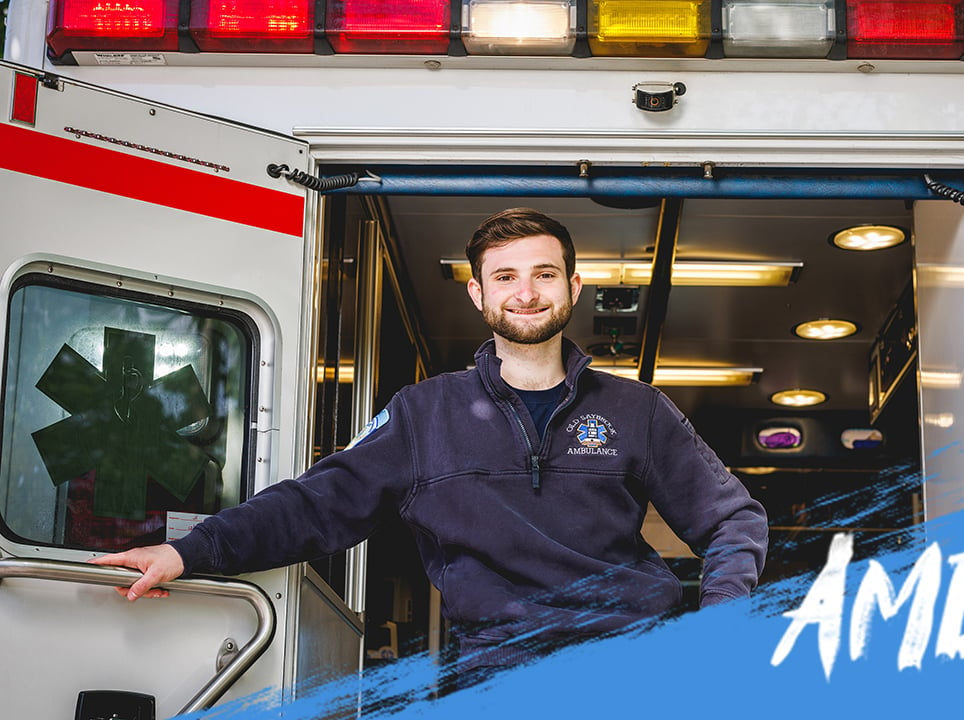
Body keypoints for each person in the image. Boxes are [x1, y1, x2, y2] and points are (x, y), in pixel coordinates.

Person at [91, 207, 769, 677]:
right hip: (497, 674)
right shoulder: (423, 415)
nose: (526, 293)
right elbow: (316, 504)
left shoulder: (636, 409)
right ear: (477, 293)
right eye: (505, 277)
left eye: (544, 274)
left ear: (574, 286)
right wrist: (189, 552)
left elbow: (731, 518)